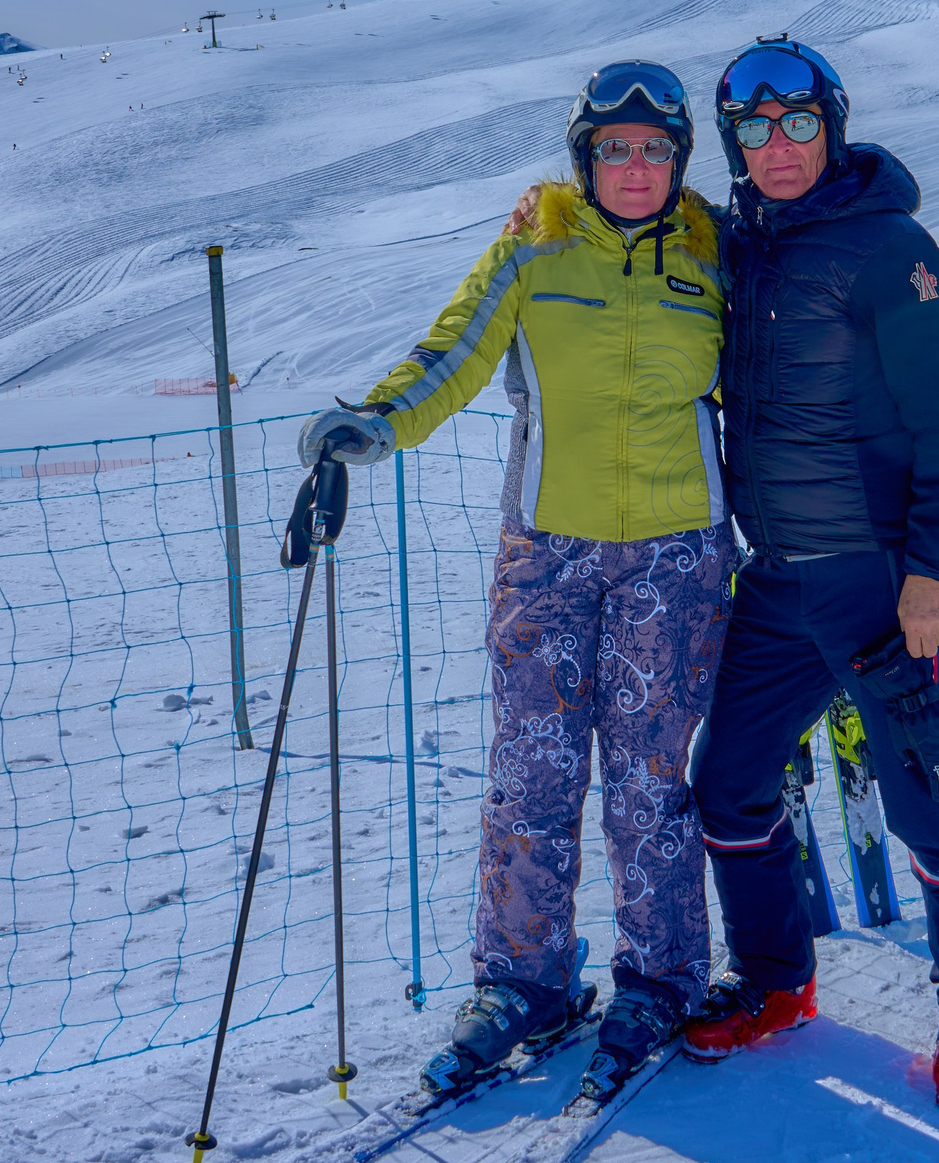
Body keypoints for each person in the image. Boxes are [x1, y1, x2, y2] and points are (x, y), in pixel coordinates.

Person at [300, 62, 732, 1105]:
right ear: (585, 156)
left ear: (680, 157)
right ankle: (525, 982)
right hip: (547, 550)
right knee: (531, 777)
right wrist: (378, 421)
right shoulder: (532, 248)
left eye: (655, 147)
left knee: (652, 782)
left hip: (677, 557)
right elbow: (453, 348)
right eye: (614, 147)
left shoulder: (719, 255)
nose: (636, 164)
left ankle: (661, 976)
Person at [682, 37, 939, 1107]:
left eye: (796, 124)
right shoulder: (744, 241)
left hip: (881, 584)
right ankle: (778, 982)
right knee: (728, 784)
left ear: (829, 124)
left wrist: (931, 571)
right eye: (753, 129)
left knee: (926, 801)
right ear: (734, 143)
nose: (777, 147)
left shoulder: (891, 247)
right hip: (777, 578)